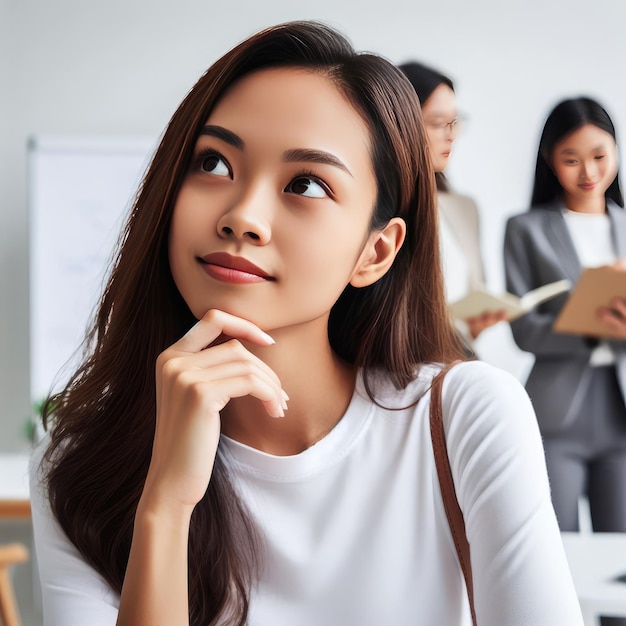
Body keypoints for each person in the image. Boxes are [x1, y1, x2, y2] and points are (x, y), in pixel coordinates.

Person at [30, 21, 583, 626]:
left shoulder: (464, 419)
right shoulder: (80, 462)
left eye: (306, 183)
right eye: (213, 163)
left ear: (376, 251)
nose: (243, 217)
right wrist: (165, 504)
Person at [504, 96, 626, 626]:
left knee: (620, 561)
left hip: (619, 410)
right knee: (555, 561)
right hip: (558, 414)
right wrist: (590, 322)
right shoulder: (526, 228)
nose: (588, 171)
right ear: (550, 160)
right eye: (571, 157)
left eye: (600, 155)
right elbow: (525, 328)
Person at [399, 61, 507, 348]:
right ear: (400, 124)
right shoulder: (377, 206)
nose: (451, 134)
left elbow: (469, 303)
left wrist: (475, 326)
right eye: (437, 123)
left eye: (455, 122)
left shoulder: (464, 209)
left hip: (453, 361)